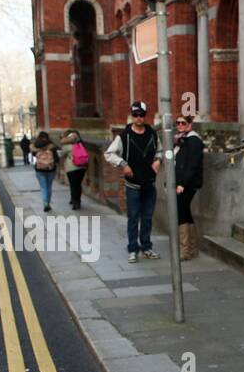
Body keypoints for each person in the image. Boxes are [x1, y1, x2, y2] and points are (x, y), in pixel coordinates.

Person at [103, 101, 162, 263]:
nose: (138, 118)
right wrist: (123, 164)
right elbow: (109, 154)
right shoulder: (124, 135)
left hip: (149, 183)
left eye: (141, 115)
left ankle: (146, 247)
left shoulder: (152, 133)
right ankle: (132, 249)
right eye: (135, 115)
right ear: (131, 116)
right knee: (133, 218)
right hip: (133, 185)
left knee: (148, 217)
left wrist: (158, 160)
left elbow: (161, 151)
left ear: (145, 116)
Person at [173, 114, 204, 260]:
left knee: (181, 212)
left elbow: (191, 165)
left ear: (190, 125)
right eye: (177, 123)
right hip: (181, 183)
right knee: (185, 211)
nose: (179, 125)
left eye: (183, 123)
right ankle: (192, 250)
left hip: (188, 184)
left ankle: (185, 251)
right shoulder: (181, 140)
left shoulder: (193, 141)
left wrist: (181, 184)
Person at [31, 131, 59, 212]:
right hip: (51, 169)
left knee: (43, 187)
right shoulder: (51, 145)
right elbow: (56, 157)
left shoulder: (36, 145)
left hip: (39, 168)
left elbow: (33, 154)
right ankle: (48, 204)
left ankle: (45, 203)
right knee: (49, 186)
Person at [63, 129, 89, 210]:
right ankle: (78, 200)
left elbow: (62, 154)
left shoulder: (67, 146)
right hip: (82, 167)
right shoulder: (82, 144)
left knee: (73, 185)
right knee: (78, 184)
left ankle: (75, 202)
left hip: (71, 168)